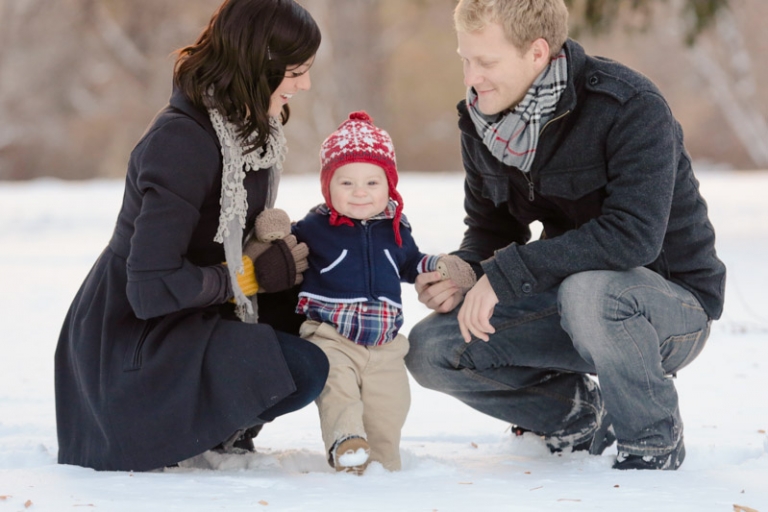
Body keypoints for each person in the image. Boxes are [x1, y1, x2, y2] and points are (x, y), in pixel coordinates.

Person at [404, 0, 726, 471]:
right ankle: (572, 416)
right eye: (466, 60)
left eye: (487, 62)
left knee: (591, 291)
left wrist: (505, 274)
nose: (473, 77)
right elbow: (492, 229)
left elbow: (633, 238)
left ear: (536, 53)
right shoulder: (481, 123)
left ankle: (651, 442)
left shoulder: (629, 107)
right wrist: (467, 270)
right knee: (432, 349)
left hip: (670, 307)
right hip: (568, 301)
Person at [54, 0, 329, 472]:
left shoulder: (243, 130)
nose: (303, 84)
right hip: (132, 343)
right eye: (295, 70)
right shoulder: (181, 142)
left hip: (193, 310)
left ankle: (222, 423)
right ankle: (192, 430)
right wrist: (246, 276)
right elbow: (150, 287)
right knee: (304, 368)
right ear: (255, 63)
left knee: (318, 303)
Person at [290, 111, 476, 474]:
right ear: (327, 185)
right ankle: (345, 442)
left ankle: (382, 467)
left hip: (385, 344)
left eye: (372, 183)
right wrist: (273, 235)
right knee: (337, 388)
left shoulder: (396, 229)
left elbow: (411, 263)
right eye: (346, 183)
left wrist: (442, 264)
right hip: (331, 335)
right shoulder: (314, 226)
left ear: (389, 185)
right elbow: (284, 249)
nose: (360, 192)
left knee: (390, 407)